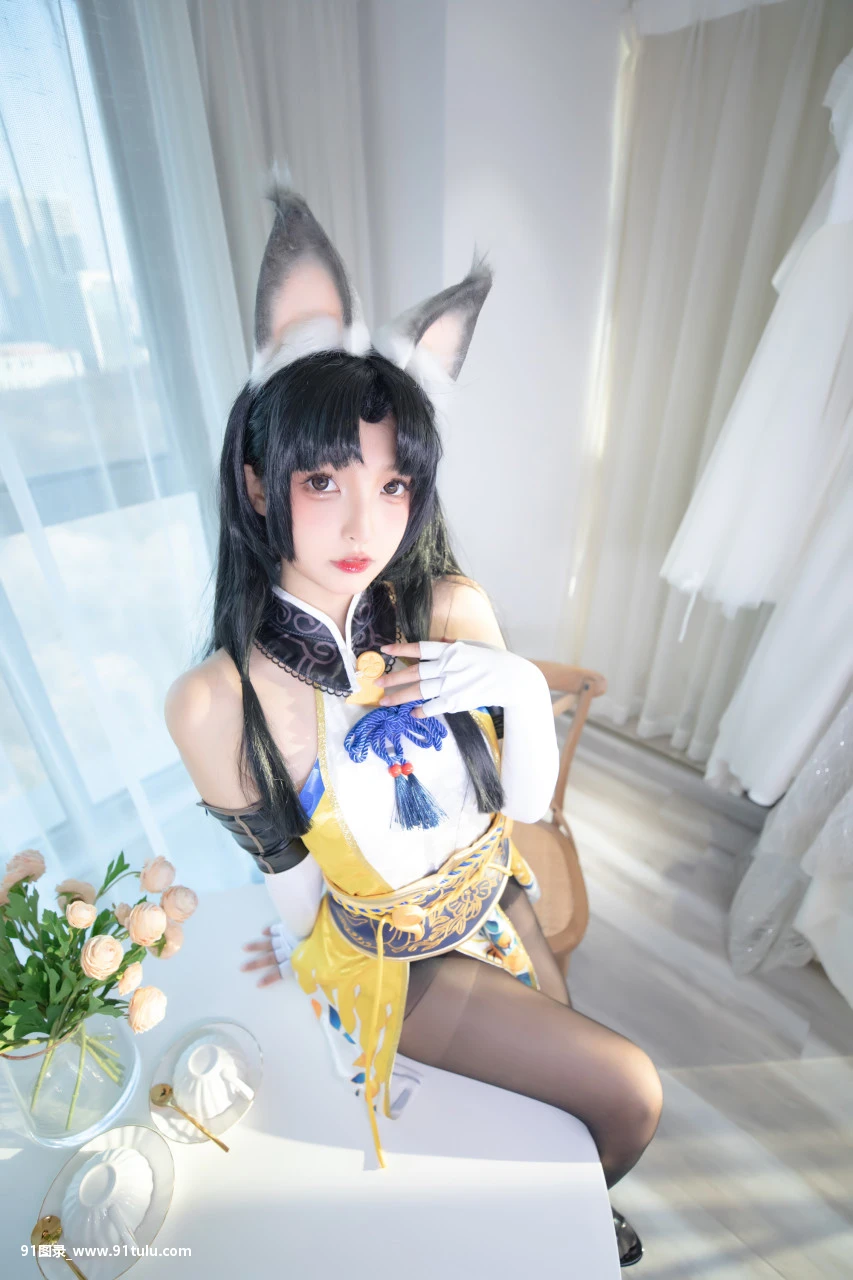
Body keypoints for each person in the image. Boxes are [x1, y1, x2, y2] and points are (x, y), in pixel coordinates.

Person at [164, 184, 660, 1267]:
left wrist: (513, 685)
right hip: (393, 963)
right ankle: (566, 1218)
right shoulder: (218, 699)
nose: (364, 522)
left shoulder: (446, 607)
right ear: (257, 483)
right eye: (323, 478)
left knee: (573, 1112)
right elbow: (298, 890)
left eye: (393, 485)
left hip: (500, 901)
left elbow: (516, 810)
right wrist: (304, 966)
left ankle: (573, 1212)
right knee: (630, 1090)